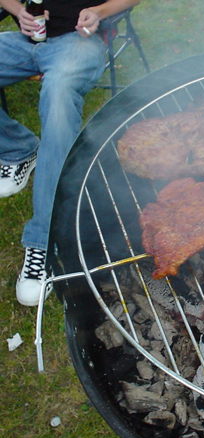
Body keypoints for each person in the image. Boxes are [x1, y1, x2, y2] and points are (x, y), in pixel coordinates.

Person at [0, 0, 141, 306]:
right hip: (28, 42)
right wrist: (17, 10)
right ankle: (18, 149)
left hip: (79, 43)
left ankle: (44, 241)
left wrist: (99, 13)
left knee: (59, 102)